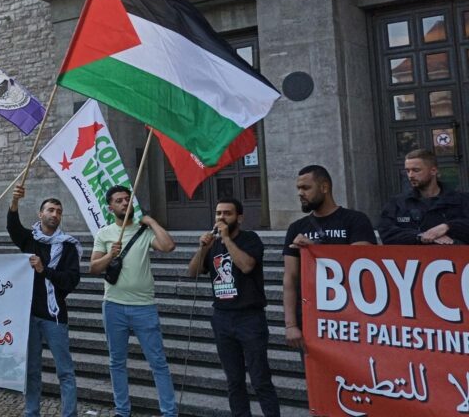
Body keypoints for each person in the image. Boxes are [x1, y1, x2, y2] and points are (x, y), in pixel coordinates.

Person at [186, 198, 279, 417]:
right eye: (218, 213)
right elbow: (192, 271)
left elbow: (247, 266)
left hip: (249, 318)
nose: (221, 218)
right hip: (222, 317)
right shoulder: (213, 243)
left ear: (239, 217)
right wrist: (203, 249)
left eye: (227, 213)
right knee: (234, 381)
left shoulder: (250, 239)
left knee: (260, 379)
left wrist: (227, 239)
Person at [89, 185, 177, 417]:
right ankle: (122, 410)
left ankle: (169, 412)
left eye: (127, 199)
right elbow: (93, 268)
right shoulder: (104, 234)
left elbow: (168, 246)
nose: (125, 203)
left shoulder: (143, 231)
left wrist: (153, 223)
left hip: (144, 307)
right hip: (113, 306)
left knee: (158, 362)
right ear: (110, 207)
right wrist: (110, 255)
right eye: (119, 200)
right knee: (116, 362)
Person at [282, 165, 377, 354]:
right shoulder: (296, 228)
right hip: (312, 317)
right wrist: (291, 324)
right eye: (298, 188)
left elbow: (363, 261)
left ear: (324, 187)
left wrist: (316, 249)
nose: (300, 193)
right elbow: (290, 279)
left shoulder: (355, 220)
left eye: (306, 188)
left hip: (352, 316)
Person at [8, 184, 81, 417]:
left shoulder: (68, 246)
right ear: (40, 214)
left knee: (65, 371)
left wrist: (44, 270)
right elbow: (12, 227)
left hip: (55, 316)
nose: (54, 214)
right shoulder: (29, 240)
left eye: (58, 211)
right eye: (50, 210)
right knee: (31, 370)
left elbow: (70, 281)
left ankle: (69, 414)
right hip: (28, 315)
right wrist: (14, 201)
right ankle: (32, 412)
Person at [377, 148, 469, 245]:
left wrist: (447, 227)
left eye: (416, 170)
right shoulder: (397, 203)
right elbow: (385, 232)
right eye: (407, 171)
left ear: (433, 170)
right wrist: (420, 236)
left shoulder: (461, 200)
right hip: (411, 258)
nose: (410, 175)